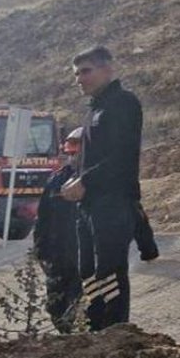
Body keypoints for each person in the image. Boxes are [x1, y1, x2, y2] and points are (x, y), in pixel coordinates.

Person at [62, 45, 144, 330]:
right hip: (88, 204)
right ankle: (96, 329)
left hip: (113, 201)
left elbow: (122, 156)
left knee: (109, 270)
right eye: (76, 74)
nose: (79, 79)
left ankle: (115, 332)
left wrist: (86, 181)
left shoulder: (122, 103)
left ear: (108, 69)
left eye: (86, 71)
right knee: (89, 272)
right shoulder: (93, 109)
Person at [35, 128, 85, 332]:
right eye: (70, 153)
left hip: (85, 252)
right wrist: (40, 250)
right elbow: (43, 218)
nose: (73, 157)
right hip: (58, 252)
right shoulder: (56, 181)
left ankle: (79, 334)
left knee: (80, 298)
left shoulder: (99, 181)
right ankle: (66, 334)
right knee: (55, 301)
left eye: (77, 152)